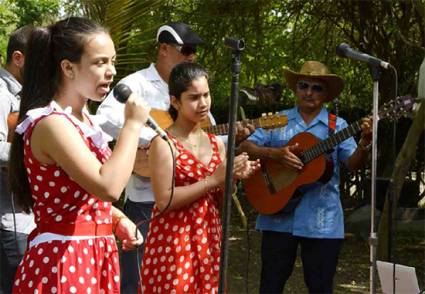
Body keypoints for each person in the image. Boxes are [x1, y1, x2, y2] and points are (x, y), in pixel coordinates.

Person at [8, 17, 150, 293]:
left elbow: (77, 196)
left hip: (93, 255)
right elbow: (108, 186)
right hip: (63, 260)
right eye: (100, 62)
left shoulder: (84, 120)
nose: (111, 71)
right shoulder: (51, 123)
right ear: (68, 68)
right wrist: (132, 124)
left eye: (112, 61)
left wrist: (115, 218)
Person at [238, 61, 372, 294]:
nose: (309, 92)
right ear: (296, 89)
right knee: (270, 285)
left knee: (320, 287)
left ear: (326, 94)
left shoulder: (336, 127)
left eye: (317, 88)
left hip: (322, 220)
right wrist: (274, 154)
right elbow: (244, 147)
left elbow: (352, 163)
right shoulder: (278, 120)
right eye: (303, 85)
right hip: (277, 215)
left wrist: (364, 145)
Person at [140, 62, 260, 293]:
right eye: (194, 97)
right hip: (173, 240)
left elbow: (219, 201)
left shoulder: (216, 143)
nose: (203, 103)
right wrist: (214, 179)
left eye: (206, 95)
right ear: (175, 101)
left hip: (208, 236)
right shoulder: (163, 143)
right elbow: (164, 200)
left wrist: (232, 179)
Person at [0, 25, 36, 294]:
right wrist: (38, 153)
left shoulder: (23, 93)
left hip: (27, 219)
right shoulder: (1, 93)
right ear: (18, 58)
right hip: (9, 220)